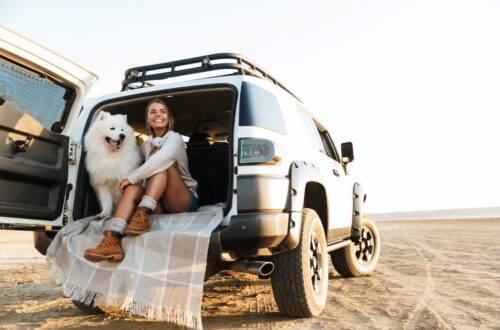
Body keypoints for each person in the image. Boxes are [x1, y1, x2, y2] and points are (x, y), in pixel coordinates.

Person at [84, 98, 198, 262]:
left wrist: (132, 177)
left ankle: (141, 214)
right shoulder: (145, 145)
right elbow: (129, 154)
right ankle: (112, 239)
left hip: (182, 201)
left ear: (169, 118)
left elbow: (160, 160)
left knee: (162, 166)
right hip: (158, 203)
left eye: (163, 111)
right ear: (148, 120)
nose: (158, 114)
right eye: (153, 112)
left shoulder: (175, 138)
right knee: (132, 188)